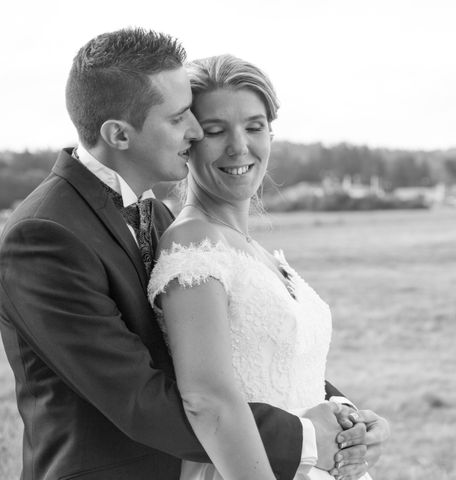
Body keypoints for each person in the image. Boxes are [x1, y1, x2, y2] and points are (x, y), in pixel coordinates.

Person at [0, 28, 386, 480]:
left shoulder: (155, 216)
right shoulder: (44, 235)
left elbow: (241, 350)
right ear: (119, 135)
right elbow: (137, 397)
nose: (196, 130)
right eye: (179, 116)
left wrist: (342, 415)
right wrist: (303, 435)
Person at [147, 54, 389, 480]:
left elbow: (293, 372)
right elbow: (207, 400)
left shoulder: (250, 249)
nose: (239, 147)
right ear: (188, 140)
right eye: (216, 131)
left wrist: (353, 420)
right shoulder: (194, 246)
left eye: (254, 127)